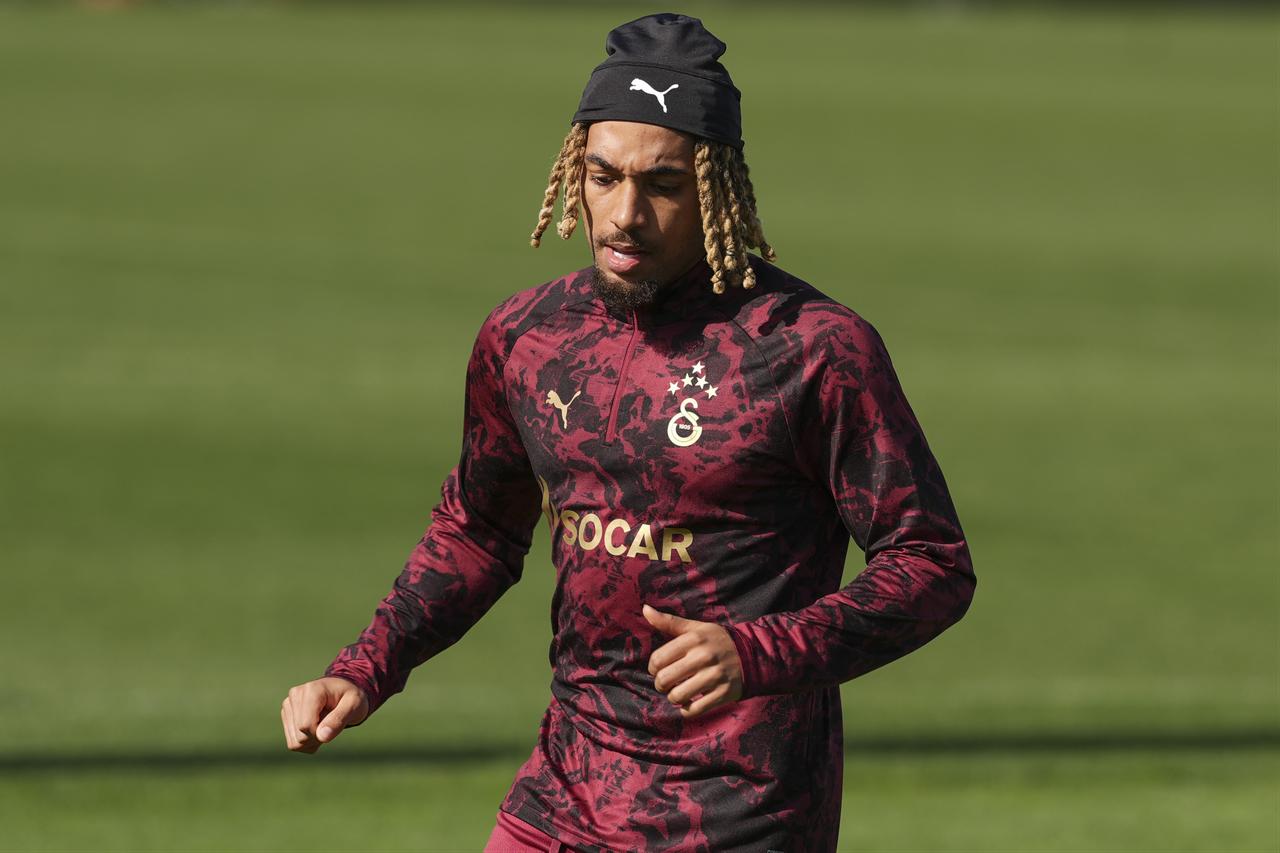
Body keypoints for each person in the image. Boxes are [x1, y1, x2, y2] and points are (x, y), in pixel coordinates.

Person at [279, 13, 975, 852]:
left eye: (663, 185)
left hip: (736, 815)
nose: (625, 214)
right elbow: (478, 530)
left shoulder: (814, 349)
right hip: (563, 793)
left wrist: (761, 651)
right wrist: (364, 668)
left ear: (715, 186)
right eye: (603, 177)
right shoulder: (527, 336)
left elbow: (931, 564)